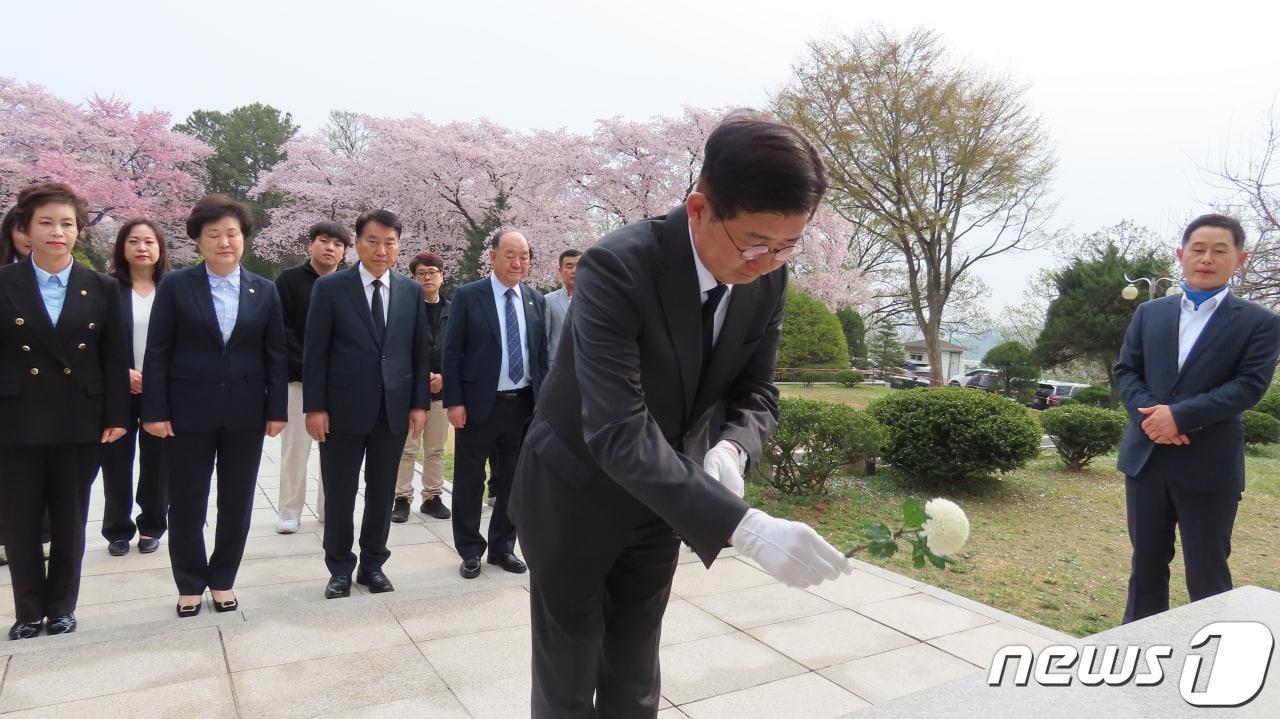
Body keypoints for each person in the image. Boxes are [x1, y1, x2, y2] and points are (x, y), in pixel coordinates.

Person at [509, 111, 851, 716]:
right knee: (567, 677)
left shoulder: (768, 280)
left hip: (662, 500)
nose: (767, 260)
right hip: (574, 493)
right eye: (754, 242)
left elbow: (757, 393)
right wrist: (745, 527)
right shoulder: (617, 266)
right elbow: (616, 429)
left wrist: (732, 448)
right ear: (699, 209)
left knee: (637, 671)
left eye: (787, 245)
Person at [1115, 213, 1280, 623]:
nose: (1207, 258)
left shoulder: (1261, 323)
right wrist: (1152, 420)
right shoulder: (1150, 313)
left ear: (1238, 259)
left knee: (1207, 574)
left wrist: (1180, 417)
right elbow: (1127, 372)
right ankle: (1137, 654)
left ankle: (1211, 663)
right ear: (1181, 254)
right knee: (1146, 566)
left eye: (1219, 250)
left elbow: (1248, 386)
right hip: (1146, 459)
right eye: (1198, 249)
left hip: (1209, 465)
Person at [142, 195, 288, 618]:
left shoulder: (264, 289)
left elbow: (275, 354)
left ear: (244, 239)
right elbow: (158, 351)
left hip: (244, 411)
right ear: (198, 241)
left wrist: (276, 408)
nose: (225, 242)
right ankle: (189, 583)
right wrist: (155, 410)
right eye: (214, 235)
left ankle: (223, 579)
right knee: (187, 500)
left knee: (237, 500)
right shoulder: (175, 285)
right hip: (188, 411)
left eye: (233, 234)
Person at [0, 182, 130, 639]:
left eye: (67, 224)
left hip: (80, 417)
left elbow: (115, 357)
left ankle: (61, 607)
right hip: (15, 418)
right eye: (47, 223)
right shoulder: (5, 283)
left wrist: (117, 415)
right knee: (19, 520)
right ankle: (27, 610)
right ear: (25, 229)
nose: (58, 232)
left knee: (70, 518)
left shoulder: (101, 286)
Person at [304, 209, 429, 599]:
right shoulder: (330, 289)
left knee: (381, 492)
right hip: (341, 410)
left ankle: (373, 565)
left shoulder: (410, 291)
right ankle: (339, 568)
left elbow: (418, 351)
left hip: (391, 410)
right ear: (356, 243)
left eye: (390, 242)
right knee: (340, 491)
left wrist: (419, 403)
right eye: (373, 241)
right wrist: (315, 407)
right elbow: (315, 353)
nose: (381, 250)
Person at [444, 228, 549, 579]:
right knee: (470, 479)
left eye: (525, 256)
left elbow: (541, 357)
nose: (518, 263)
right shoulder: (468, 296)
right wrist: (454, 401)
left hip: (522, 406)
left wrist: (544, 403)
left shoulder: (536, 299)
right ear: (492, 257)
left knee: (514, 481)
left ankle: (504, 546)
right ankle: (471, 549)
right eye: (510, 255)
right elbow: (452, 353)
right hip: (477, 405)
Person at [100, 219, 171, 556]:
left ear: (160, 248)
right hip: (118, 388)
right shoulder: (107, 288)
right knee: (116, 461)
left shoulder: (172, 287)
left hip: (161, 390)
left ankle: (152, 525)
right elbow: (95, 340)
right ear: (122, 247)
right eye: (134, 241)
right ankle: (117, 528)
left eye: (149, 242)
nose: (142, 248)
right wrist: (120, 372)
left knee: (158, 463)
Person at [273, 221, 349, 533]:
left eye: (338, 244)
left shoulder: (348, 284)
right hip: (299, 380)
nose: (330, 248)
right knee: (296, 447)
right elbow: (281, 330)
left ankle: (330, 508)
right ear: (311, 244)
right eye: (324, 241)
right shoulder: (289, 281)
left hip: (340, 383)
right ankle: (289, 510)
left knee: (337, 452)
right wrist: (309, 367)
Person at [392, 251, 452, 522]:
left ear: (442, 276)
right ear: (414, 278)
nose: (427, 277)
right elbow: (397, 349)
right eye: (421, 274)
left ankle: (433, 496)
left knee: (436, 448)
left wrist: (444, 377)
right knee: (407, 448)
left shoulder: (453, 310)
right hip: (410, 392)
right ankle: (402, 498)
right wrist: (419, 376)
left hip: (441, 390)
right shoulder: (403, 309)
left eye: (432, 272)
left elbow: (460, 349)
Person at [544, 249, 579, 369]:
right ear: (560, 271)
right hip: (558, 367)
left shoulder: (595, 300)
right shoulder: (548, 300)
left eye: (579, 266)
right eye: (569, 266)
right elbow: (544, 339)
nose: (574, 271)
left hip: (588, 368)